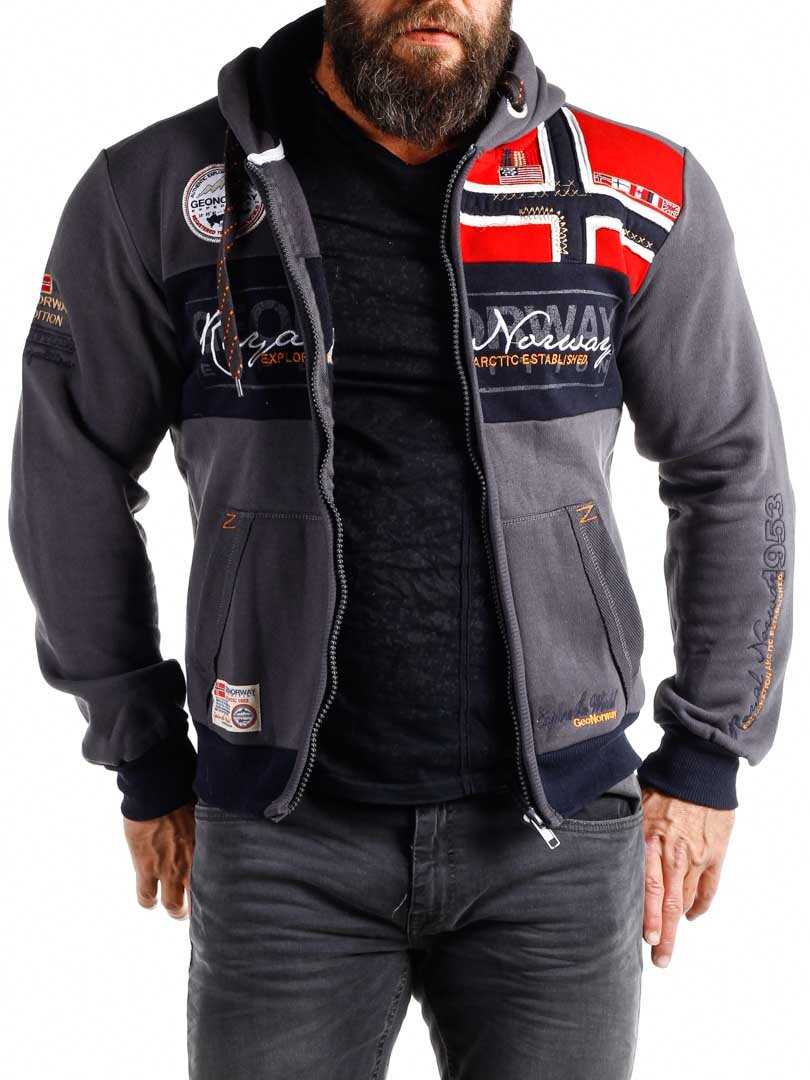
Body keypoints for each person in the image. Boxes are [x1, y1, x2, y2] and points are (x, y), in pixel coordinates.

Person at [9, 2, 794, 1077]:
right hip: (282, 841)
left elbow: (731, 468)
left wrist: (708, 755)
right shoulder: (155, 191)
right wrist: (140, 748)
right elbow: (68, 475)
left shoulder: (637, 193)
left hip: (557, 837)